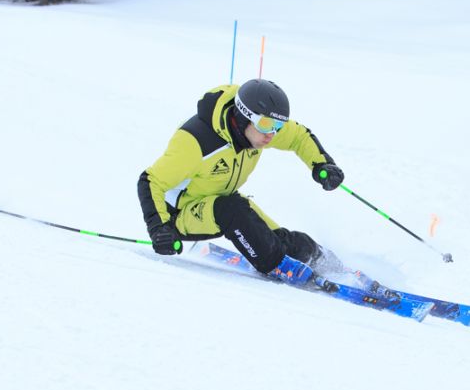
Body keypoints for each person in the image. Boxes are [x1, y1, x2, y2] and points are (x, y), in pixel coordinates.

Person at [137, 78, 345, 284]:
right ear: (244, 116)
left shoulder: (259, 132)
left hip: (220, 199)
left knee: (280, 240)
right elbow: (150, 181)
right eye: (266, 124)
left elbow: (298, 136)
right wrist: (159, 229)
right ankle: (275, 264)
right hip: (179, 214)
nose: (272, 134)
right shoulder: (195, 141)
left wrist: (323, 164)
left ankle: (326, 262)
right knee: (233, 210)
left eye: (278, 126)